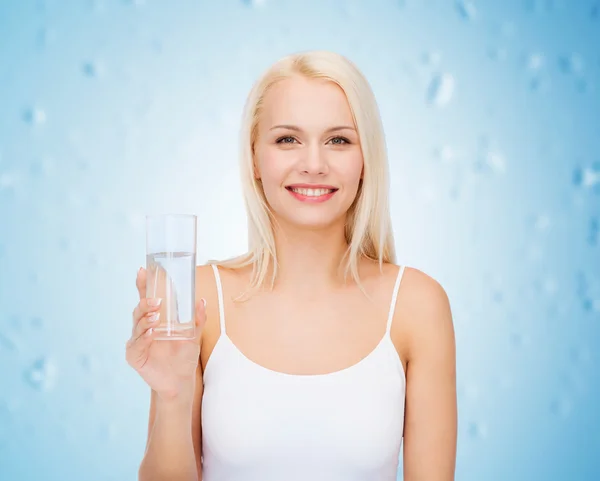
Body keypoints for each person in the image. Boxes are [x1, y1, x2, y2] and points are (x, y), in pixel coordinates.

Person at [126, 50, 457, 481]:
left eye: (338, 140)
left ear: (365, 160)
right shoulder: (199, 299)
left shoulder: (417, 306)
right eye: (287, 140)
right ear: (255, 160)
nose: (314, 164)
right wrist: (170, 395)